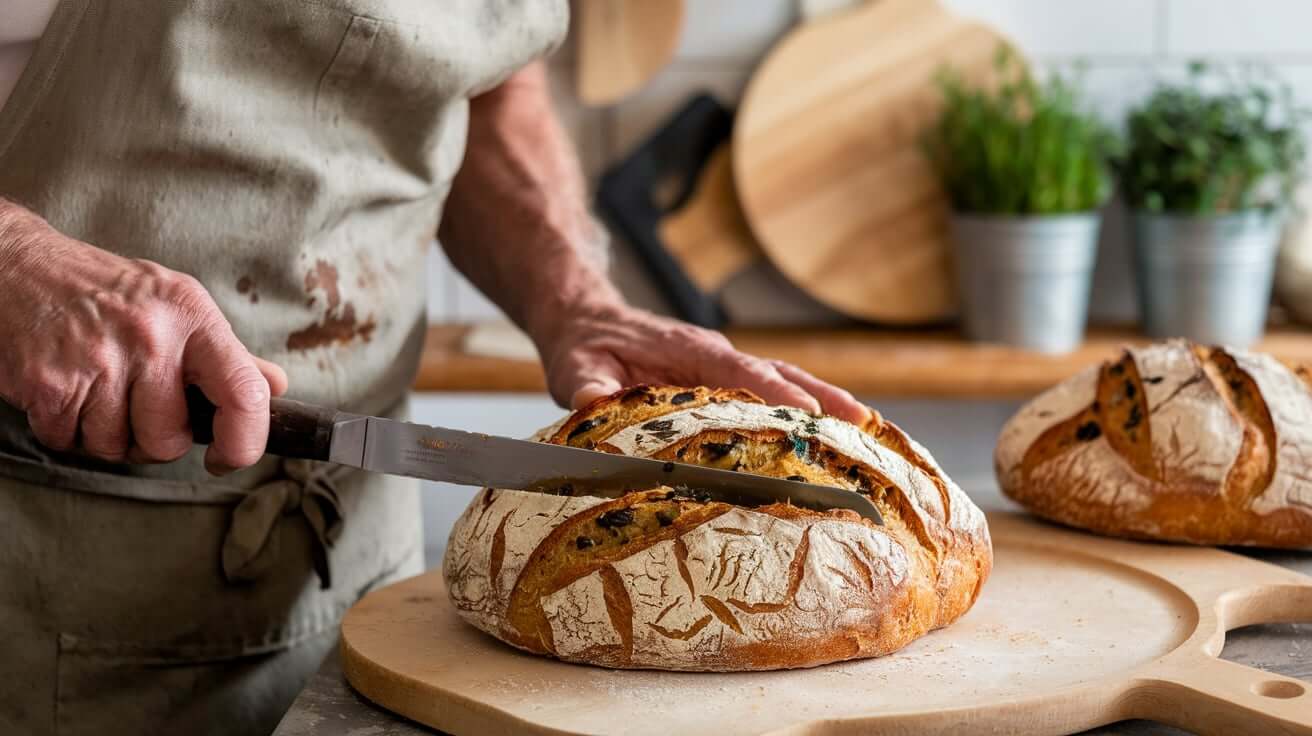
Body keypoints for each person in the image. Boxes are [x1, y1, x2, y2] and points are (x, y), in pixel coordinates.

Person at [0, 2, 870, 734]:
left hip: (366, 553)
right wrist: (18, 261)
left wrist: (573, 294)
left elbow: (485, 75)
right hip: (60, 559)